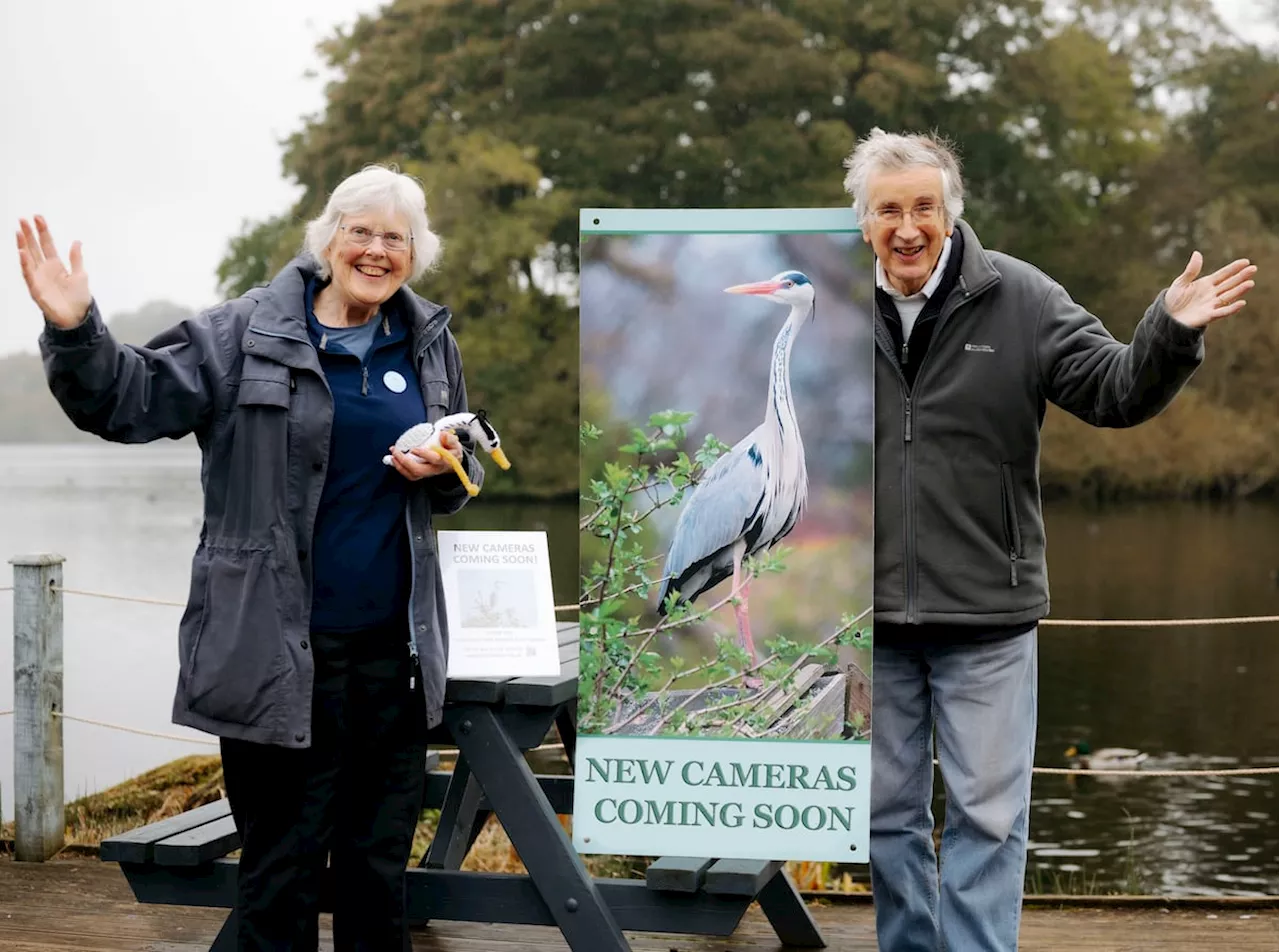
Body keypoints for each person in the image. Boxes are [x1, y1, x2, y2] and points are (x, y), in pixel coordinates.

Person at [16, 164, 485, 950]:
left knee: (379, 874)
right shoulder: (242, 334)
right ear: (328, 238)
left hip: (392, 660)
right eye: (359, 231)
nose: (375, 250)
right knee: (282, 873)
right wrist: (76, 331)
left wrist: (449, 468)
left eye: (394, 238)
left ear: (416, 252)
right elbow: (126, 398)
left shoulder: (430, 342)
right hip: (278, 656)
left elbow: (455, 480)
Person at [840, 129, 1255, 951]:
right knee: (884, 823)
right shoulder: (831, 307)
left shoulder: (1019, 297)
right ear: (864, 225)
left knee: (988, 827)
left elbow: (1114, 390)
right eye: (889, 210)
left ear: (951, 214)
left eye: (925, 206)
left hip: (990, 619)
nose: (909, 226)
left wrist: (1168, 329)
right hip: (866, 621)